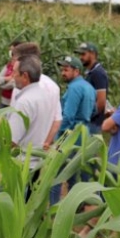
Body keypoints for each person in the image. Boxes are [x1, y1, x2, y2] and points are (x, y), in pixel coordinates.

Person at [4, 55, 57, 192]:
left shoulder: (24, 102)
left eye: (15, 72)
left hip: (20, 165)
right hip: (37, 163)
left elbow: (11, 140)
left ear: (25, 76)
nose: (12, 76)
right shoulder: (45, 96)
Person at [49, 55, 96, 204]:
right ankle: (75, 207)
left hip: (70, 134)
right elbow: (93, 110)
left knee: (56, 173)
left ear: (76, 71)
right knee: (73, 173)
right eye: (62, 69)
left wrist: (58, 139)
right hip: (84, 133)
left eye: (66, 70)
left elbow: (68, 116)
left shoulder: (74, 88)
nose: (63, 73)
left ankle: (54, 208)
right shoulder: (88, 87)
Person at [75, 42, 109, 134]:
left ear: (93, 54)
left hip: (92, 123)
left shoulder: (98, 73)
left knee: (86, 147)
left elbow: (101, 102)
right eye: (79, 54)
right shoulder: (90, 72)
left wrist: (86, 116)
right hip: (87, 122)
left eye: (83, 54)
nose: (80, 57)